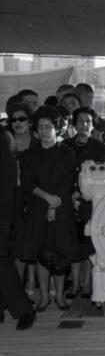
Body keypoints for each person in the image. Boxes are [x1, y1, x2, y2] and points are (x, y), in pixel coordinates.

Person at [21, 106, 79, 312]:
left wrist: (54, 205)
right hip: (38, 207)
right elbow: (27, 182)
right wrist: (47, 199)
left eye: (49, 126)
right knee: (41, 253)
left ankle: (60, 296)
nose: (44, 131)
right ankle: (44, 296)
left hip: (61, 208)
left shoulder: (68, 153)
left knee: (60, 253)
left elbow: (67, 182)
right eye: (40, 127)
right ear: (36, 130)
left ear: (57, 128)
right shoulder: (28, 155)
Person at [63, 106, 105, 299]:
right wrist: (70, 194)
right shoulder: (65, 146)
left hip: (90, 201)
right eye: (80, 121)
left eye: (88, 121)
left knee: (90, 243)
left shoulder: (100, 148)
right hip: (67, 199)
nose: (84, 125)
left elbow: (100, 177)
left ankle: (87, 283)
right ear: (74, 124)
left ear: (93, 125)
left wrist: (80, 194)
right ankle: (75, 284)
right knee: (72, 243)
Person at [0, 125, 36, 330]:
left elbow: (7, 183)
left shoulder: (4, 138)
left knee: (1, 262)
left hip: (1, 214)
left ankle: (24, 310)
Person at [6, 103, 37, 301]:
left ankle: (31, 284)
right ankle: (17, 290)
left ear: (30, 121)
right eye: (13, 119)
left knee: (31, 243)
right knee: (15, 245)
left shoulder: (38, 143)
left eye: (22, 119)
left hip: (34, 197)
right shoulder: (5, 143)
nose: (17, 123)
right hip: (11, 198)